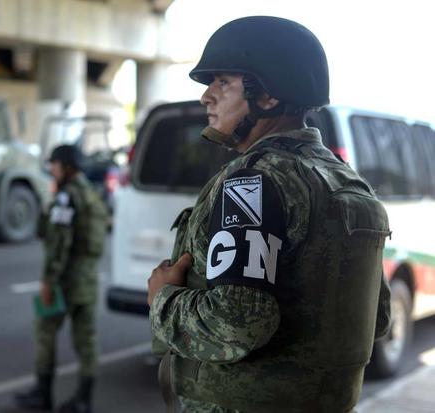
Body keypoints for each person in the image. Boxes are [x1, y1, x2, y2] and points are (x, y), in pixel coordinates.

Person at [147, 16, 392, 413]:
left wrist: (163, 299)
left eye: (222, 82)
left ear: (268, 96)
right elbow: (375, 320)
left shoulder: (255, 182)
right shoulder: (346, 183)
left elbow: (238, 322)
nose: (207, 96)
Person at [15, 144, 108, 413]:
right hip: (89, 279)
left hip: (65, 280)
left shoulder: (67, 197)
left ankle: (42, 395)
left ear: (66, 167)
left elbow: (57, 241)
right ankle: (84, 399)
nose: (51, 169)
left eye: (54, 164)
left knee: (45, 331)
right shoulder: (92, 194)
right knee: (87, 339)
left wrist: (48, 281)